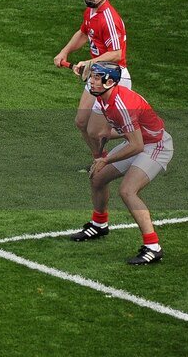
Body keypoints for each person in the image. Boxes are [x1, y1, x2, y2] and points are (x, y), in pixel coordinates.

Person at [69, 63, 173, 265]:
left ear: (109, 82)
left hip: (156, 146)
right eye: (93, 77)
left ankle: (153, 247)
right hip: (140, 141)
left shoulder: (122, 104)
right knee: (97, 177)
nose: (92, 80)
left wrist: (105, 159)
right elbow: (117, 131)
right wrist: (104, 141)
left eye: (97, 77)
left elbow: (136, 145)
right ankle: (99, 224)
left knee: (127, 191)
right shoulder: (106, 97)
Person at [53, 0, 130, 162]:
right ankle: (99, 158)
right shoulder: (90, 11)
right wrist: (64, 52)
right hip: (97, 75)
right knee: (81, 122)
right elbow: (83, 33)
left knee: (97, 132)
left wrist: (90, 62)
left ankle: (138, 131)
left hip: (113, 79)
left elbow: (117, 53)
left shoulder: (109, 18)